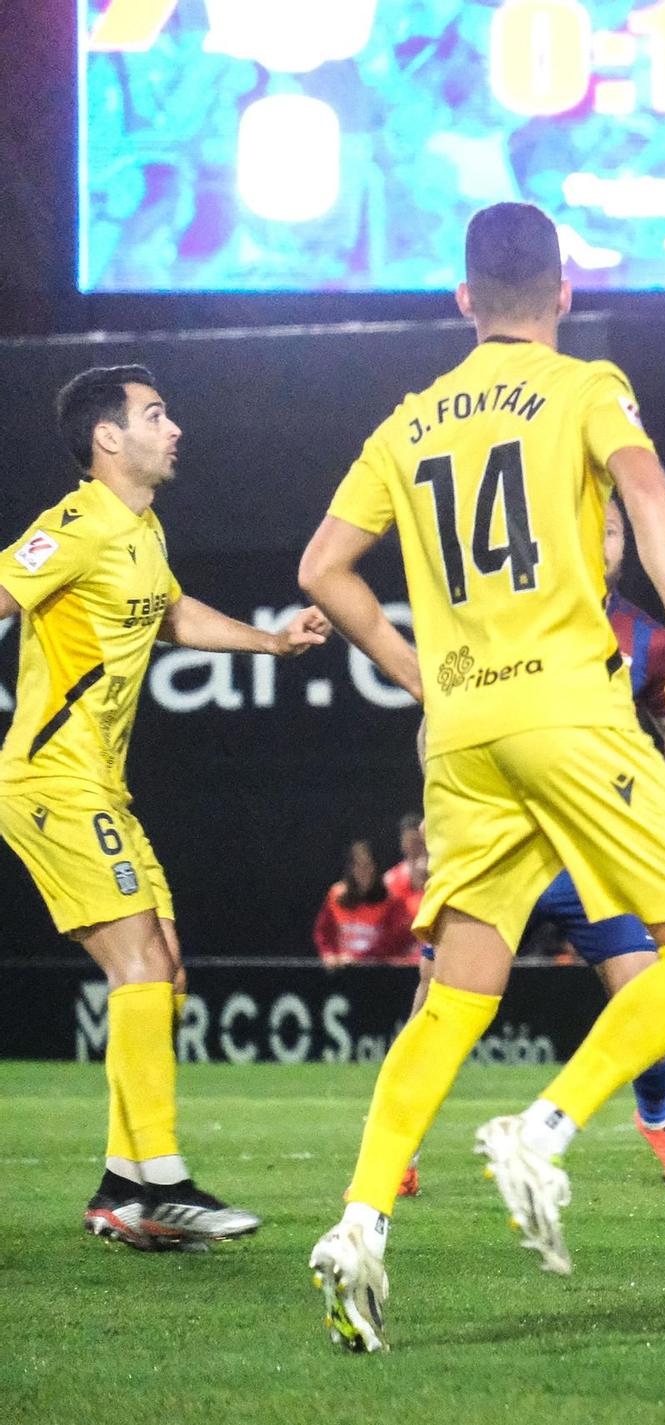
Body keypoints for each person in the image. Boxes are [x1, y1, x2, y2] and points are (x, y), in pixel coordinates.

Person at [299, 203, 665, 1351]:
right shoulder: (586, 384)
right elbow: (646, 495)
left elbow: (322, 568)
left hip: (460, 732)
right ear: (562, 290)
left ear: (461, 300)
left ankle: (356, 1226)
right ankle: (543, 1129)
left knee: (455, 996)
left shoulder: (404, 422)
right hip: (566, 704)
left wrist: (412, 669)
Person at [0, 366, 328, 1251]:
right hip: (50, 780)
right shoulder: (74, 525)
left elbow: (172, 613)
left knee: (163, 972)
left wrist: (269, 638)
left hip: (100, 784)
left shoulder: (140, 527)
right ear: (109, 438)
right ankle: (166, 1185)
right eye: (155, 414)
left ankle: (120, 1189)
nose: (174, 427)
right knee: (140, 962)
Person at [400, 497, 665, 1202]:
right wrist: (444, 818)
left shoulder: (647, 639)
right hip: (501, 847)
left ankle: (658, 1118)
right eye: (589, 523)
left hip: (590, 857)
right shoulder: (499, 619)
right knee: (438, 1001)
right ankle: (401, 1144)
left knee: (651, 1003)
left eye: (613, 529)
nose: (602, 538)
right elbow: (439, 727)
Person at [314, 840, 418, 967]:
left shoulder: (392, 901)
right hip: (342, 969)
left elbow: (395, 941)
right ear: (350, 869)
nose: (364, 871)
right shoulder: (336, 895)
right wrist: (329, 955)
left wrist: (360, 959)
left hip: (378, 972)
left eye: (367, 865)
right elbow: (323, 932)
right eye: (358, 865)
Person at [382, 812, 426, 927]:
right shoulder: (391, 878)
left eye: (417, 842)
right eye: (408, 842)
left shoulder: (438, 871)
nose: (412, 847)